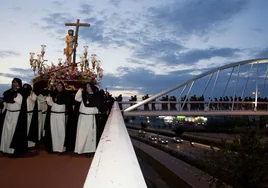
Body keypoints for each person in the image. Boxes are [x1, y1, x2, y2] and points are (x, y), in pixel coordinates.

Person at [0, 78, 28, 157]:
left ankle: (12, 151)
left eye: (16, 83)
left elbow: (18, 101)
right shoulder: (8, 92)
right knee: (6, 132)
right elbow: (5, 103)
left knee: (13, 133)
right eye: (13, 83)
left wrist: (16, 95)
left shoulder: (22, 93)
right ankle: (4, 149)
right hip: (8, 114)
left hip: (16, 115)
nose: (15, 84)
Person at [44, 81, 71, 154]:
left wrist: (54, 103)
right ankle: (55, 147)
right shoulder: (53, 93)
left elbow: (66, 103)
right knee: (54, 131)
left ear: (63, 86)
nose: (59, 87)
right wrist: (49, 97)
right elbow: (50, 104)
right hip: (53, 115)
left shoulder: (66, 94)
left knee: (61, 131)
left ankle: (61, 148)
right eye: (58, 85)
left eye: (60, 85)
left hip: (60, 115)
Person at [74, 82, 100, 157]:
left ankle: (89, 150)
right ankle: (80, 149)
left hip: (90, 117)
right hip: (82, 117)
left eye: (89, 86)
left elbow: (98, 106)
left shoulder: (96, 96)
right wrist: (81, 89)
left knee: (89, 136)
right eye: (86, 87)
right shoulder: (84, 95)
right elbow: (76, 98)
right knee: (81, 134)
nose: (88, 88)